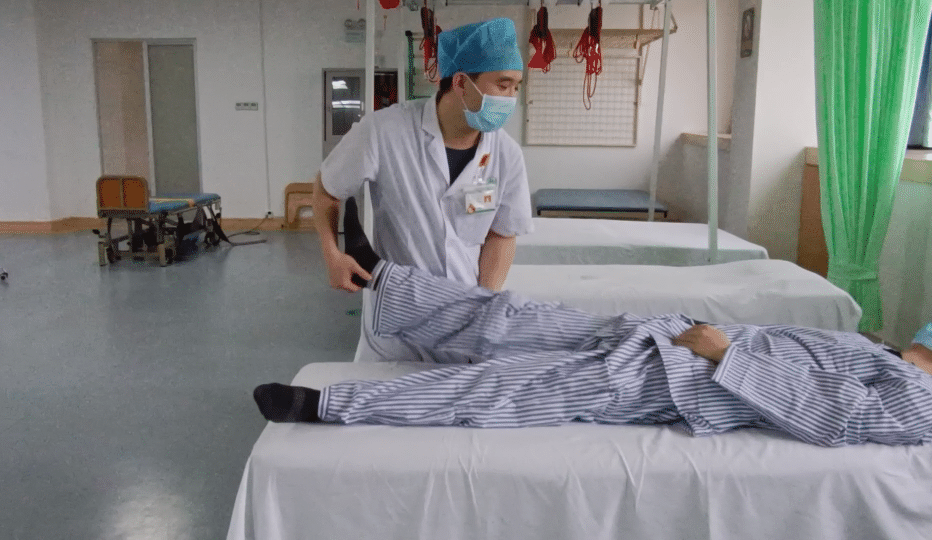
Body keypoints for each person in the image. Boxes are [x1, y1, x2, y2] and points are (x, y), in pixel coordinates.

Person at [254, 204, 932, 447]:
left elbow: (836, 416)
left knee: (510, 386)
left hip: (693, 380)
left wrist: (728, 355)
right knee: (507, 315)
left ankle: (329, 405)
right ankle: (381, 278)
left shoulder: (923, 401)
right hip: (674, 336)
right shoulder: (888, 357)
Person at [312, 18, 534, 363]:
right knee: (382, 394)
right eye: (503, 85)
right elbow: (327, 189)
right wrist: (331, 254)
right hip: (395, 319)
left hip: (464, 316)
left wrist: (485, 303)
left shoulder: (506, 154)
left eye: (517, 87)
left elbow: (502, 235)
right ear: (460, 82)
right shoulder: (385, 131)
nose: (512, 98)